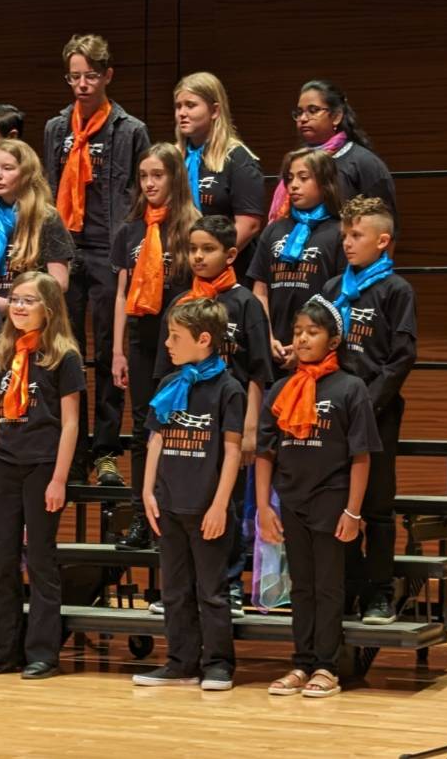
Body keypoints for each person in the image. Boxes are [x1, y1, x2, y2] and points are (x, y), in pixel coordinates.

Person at [257, 297, 380, 699]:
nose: (303, 338)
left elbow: (361, 455)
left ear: (333, 340)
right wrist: (263, 507)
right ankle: (301, 662)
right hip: (292, 498)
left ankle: (327, 665)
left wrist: (353, 510)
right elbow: (265, 453)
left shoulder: (350, 388)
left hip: (333, 498)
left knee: (329, 584)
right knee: (303, 585)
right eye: (297, 332)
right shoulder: (280, 389)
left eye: (313, 331)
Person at [149, 215, 273, 613]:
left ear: (231, 253)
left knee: (229, 502)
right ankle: (181, 588)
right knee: (183, 502)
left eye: (208, 249)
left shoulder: (246, 303)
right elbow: (165, 370)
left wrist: (252, 427)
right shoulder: (181, 303)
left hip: (229, 418)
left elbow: (258, 370)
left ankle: (230, 582)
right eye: (193, 249)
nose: (198, 257)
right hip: (186, 418)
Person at [44, 34, 151, 487]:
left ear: (108, 75)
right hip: (65, 250)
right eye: (74, 76)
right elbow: (48, 192)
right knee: (62, 349)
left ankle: (105, 449)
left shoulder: (129, 130)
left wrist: (132, 252)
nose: (82, 85)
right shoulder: (56, 128)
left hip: (110, 252)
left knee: (111, 352)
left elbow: (140, 193)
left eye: (90, 76)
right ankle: (68, 447)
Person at [0, 272, 84, 680]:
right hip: (5, 463)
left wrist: (59, 478)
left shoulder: (63, 356)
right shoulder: (5, 351)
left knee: (40, 559)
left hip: (42, 465)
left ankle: (42, 652)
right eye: (15, 300)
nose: (18, 307)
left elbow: (70, 424)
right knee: (2, 559)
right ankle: (3, 650)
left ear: (49, 308)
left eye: (29, 301)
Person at [132, 299, 245, 692]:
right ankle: (181, 661)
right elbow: (156, 439)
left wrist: (219, 505)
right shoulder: (169, 384)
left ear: (204, 339)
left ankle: (218, 663)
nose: (167, 343)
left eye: (175, 337)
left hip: (207, 506)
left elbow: (232, 451)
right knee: (175, 589)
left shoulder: (228, 390)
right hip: (169, 503)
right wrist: (147, 490)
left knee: (211, 591)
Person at [321, 196, 417, 624]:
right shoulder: (331, 290)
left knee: (375, 507)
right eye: (344, 235)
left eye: (356, 235)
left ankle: (379, 593)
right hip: (334, 413)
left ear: (382, 241)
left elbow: (402, 357)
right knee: (337, 504)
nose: (346, 243)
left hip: (377, 412)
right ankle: (347, 588)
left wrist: (368, 403)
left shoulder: (396, 291)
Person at [109, 143, 197, 551]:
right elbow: (122, 291)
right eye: (143, 176)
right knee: (144, 429)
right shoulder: (130, 229)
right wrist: (117, 350)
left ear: (175, 177)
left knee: (176, 429)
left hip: (180, 348)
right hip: (142, 343)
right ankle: (142, 518)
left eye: (157, 175)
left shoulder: (191, 227)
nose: (149, 183)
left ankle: (174, 518)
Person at [249, 148, 346, 380]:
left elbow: (341, 295)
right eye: (289, 178)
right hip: (275, 346)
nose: (293, 185)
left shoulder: (340, 232)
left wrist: (306, 345)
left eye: (303, 178)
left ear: (325, 182)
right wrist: (266, 336)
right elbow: (260, 289)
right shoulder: (274, 230)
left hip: (318, 352)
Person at [173, 71, 265, 278]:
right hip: (183, 268)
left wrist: (212, 262)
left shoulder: (237, 158)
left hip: (226, 271)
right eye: (178, 106)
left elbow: (249, 224)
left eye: (191, 105)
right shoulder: (173, 157)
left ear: (215, 110)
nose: (182, 113)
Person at [269, 80, 397, 227]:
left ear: (336, 116)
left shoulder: (363, 162)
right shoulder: (296, 162)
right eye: (299, 113)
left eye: (313, 110)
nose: (303, 119)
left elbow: (386, 225)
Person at [0, 138, 73, 308]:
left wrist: (12, 304)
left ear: (26, 173)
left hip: (26, 315)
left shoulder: (46, 217)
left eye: (7, 168)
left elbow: (59, 283)